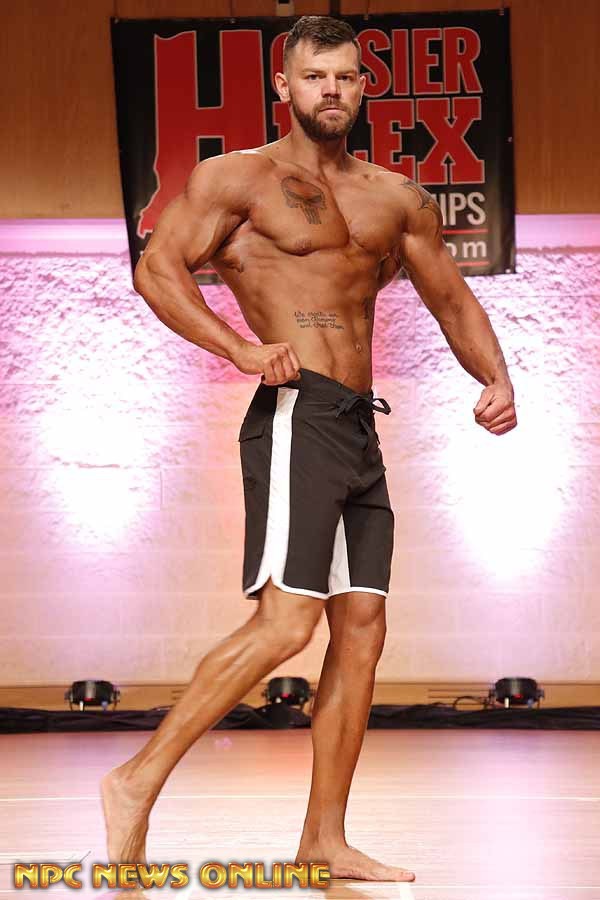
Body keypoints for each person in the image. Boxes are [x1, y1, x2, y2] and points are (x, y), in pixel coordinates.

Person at [101, 15, 517, 883]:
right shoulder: (237, 179)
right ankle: (136, 780)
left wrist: (495, 375)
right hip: (298, 413)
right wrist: (238, 348)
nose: (332, 89)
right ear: (283, 86)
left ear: (365, 87)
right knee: (287, 624)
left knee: (362, 629)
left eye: (346, 76)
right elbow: (157, 269)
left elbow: (451, 298)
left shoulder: (395, 198)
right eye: (315, 75)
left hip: (359, 423)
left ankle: (322, 836)